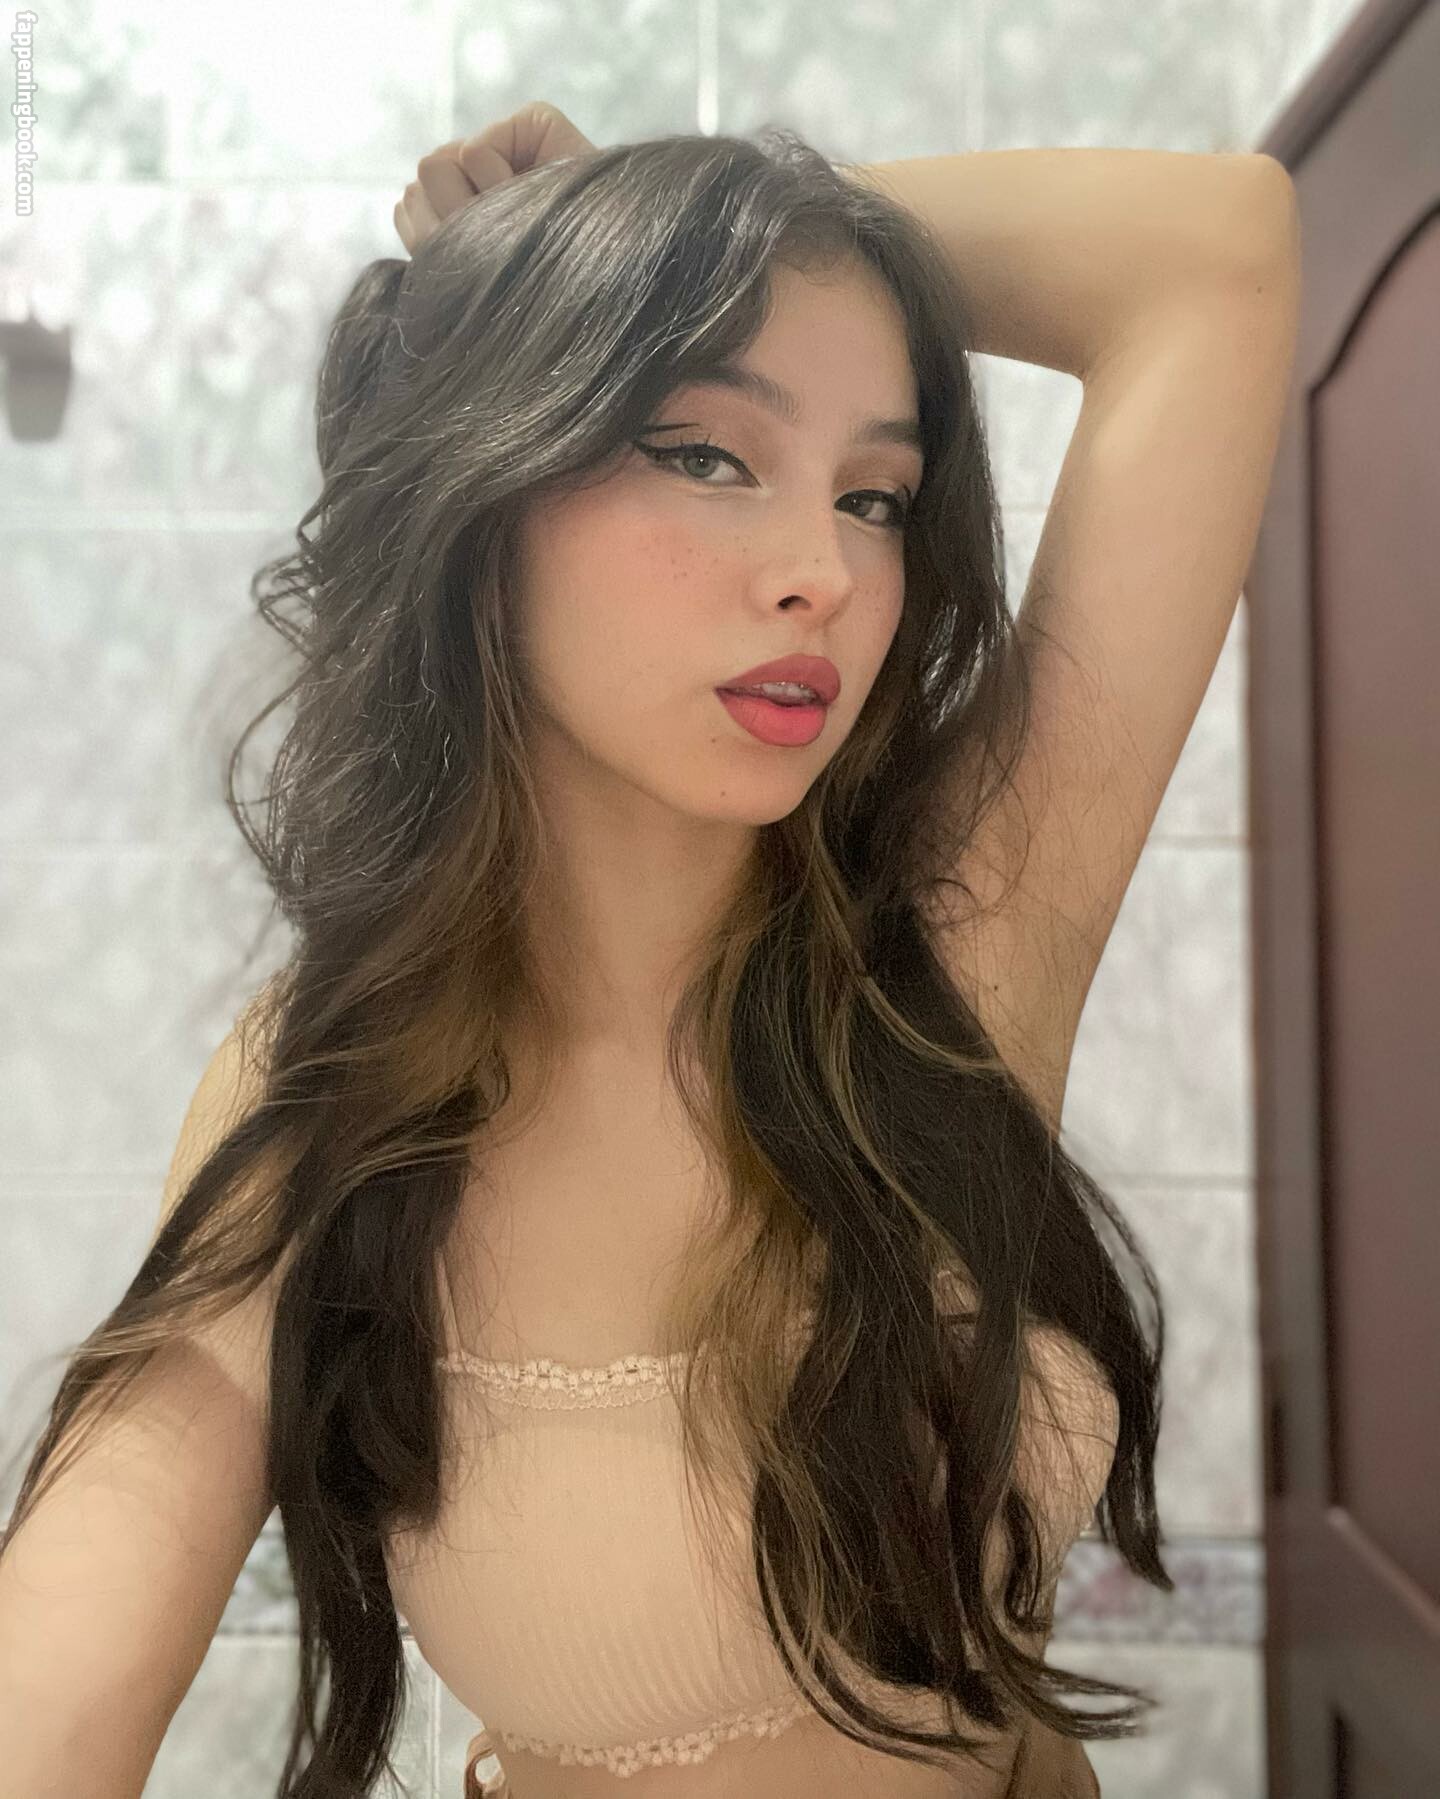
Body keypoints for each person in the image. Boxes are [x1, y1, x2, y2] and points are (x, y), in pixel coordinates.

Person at [8, 96, 1304, 1795]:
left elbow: (1218, 253)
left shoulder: (955, 946)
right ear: (485, 493)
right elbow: (60, 1682)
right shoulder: (332, 1087)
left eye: (877, 495)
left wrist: (697, 225)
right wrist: (605, 260)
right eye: (706, 454)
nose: (823, 573)